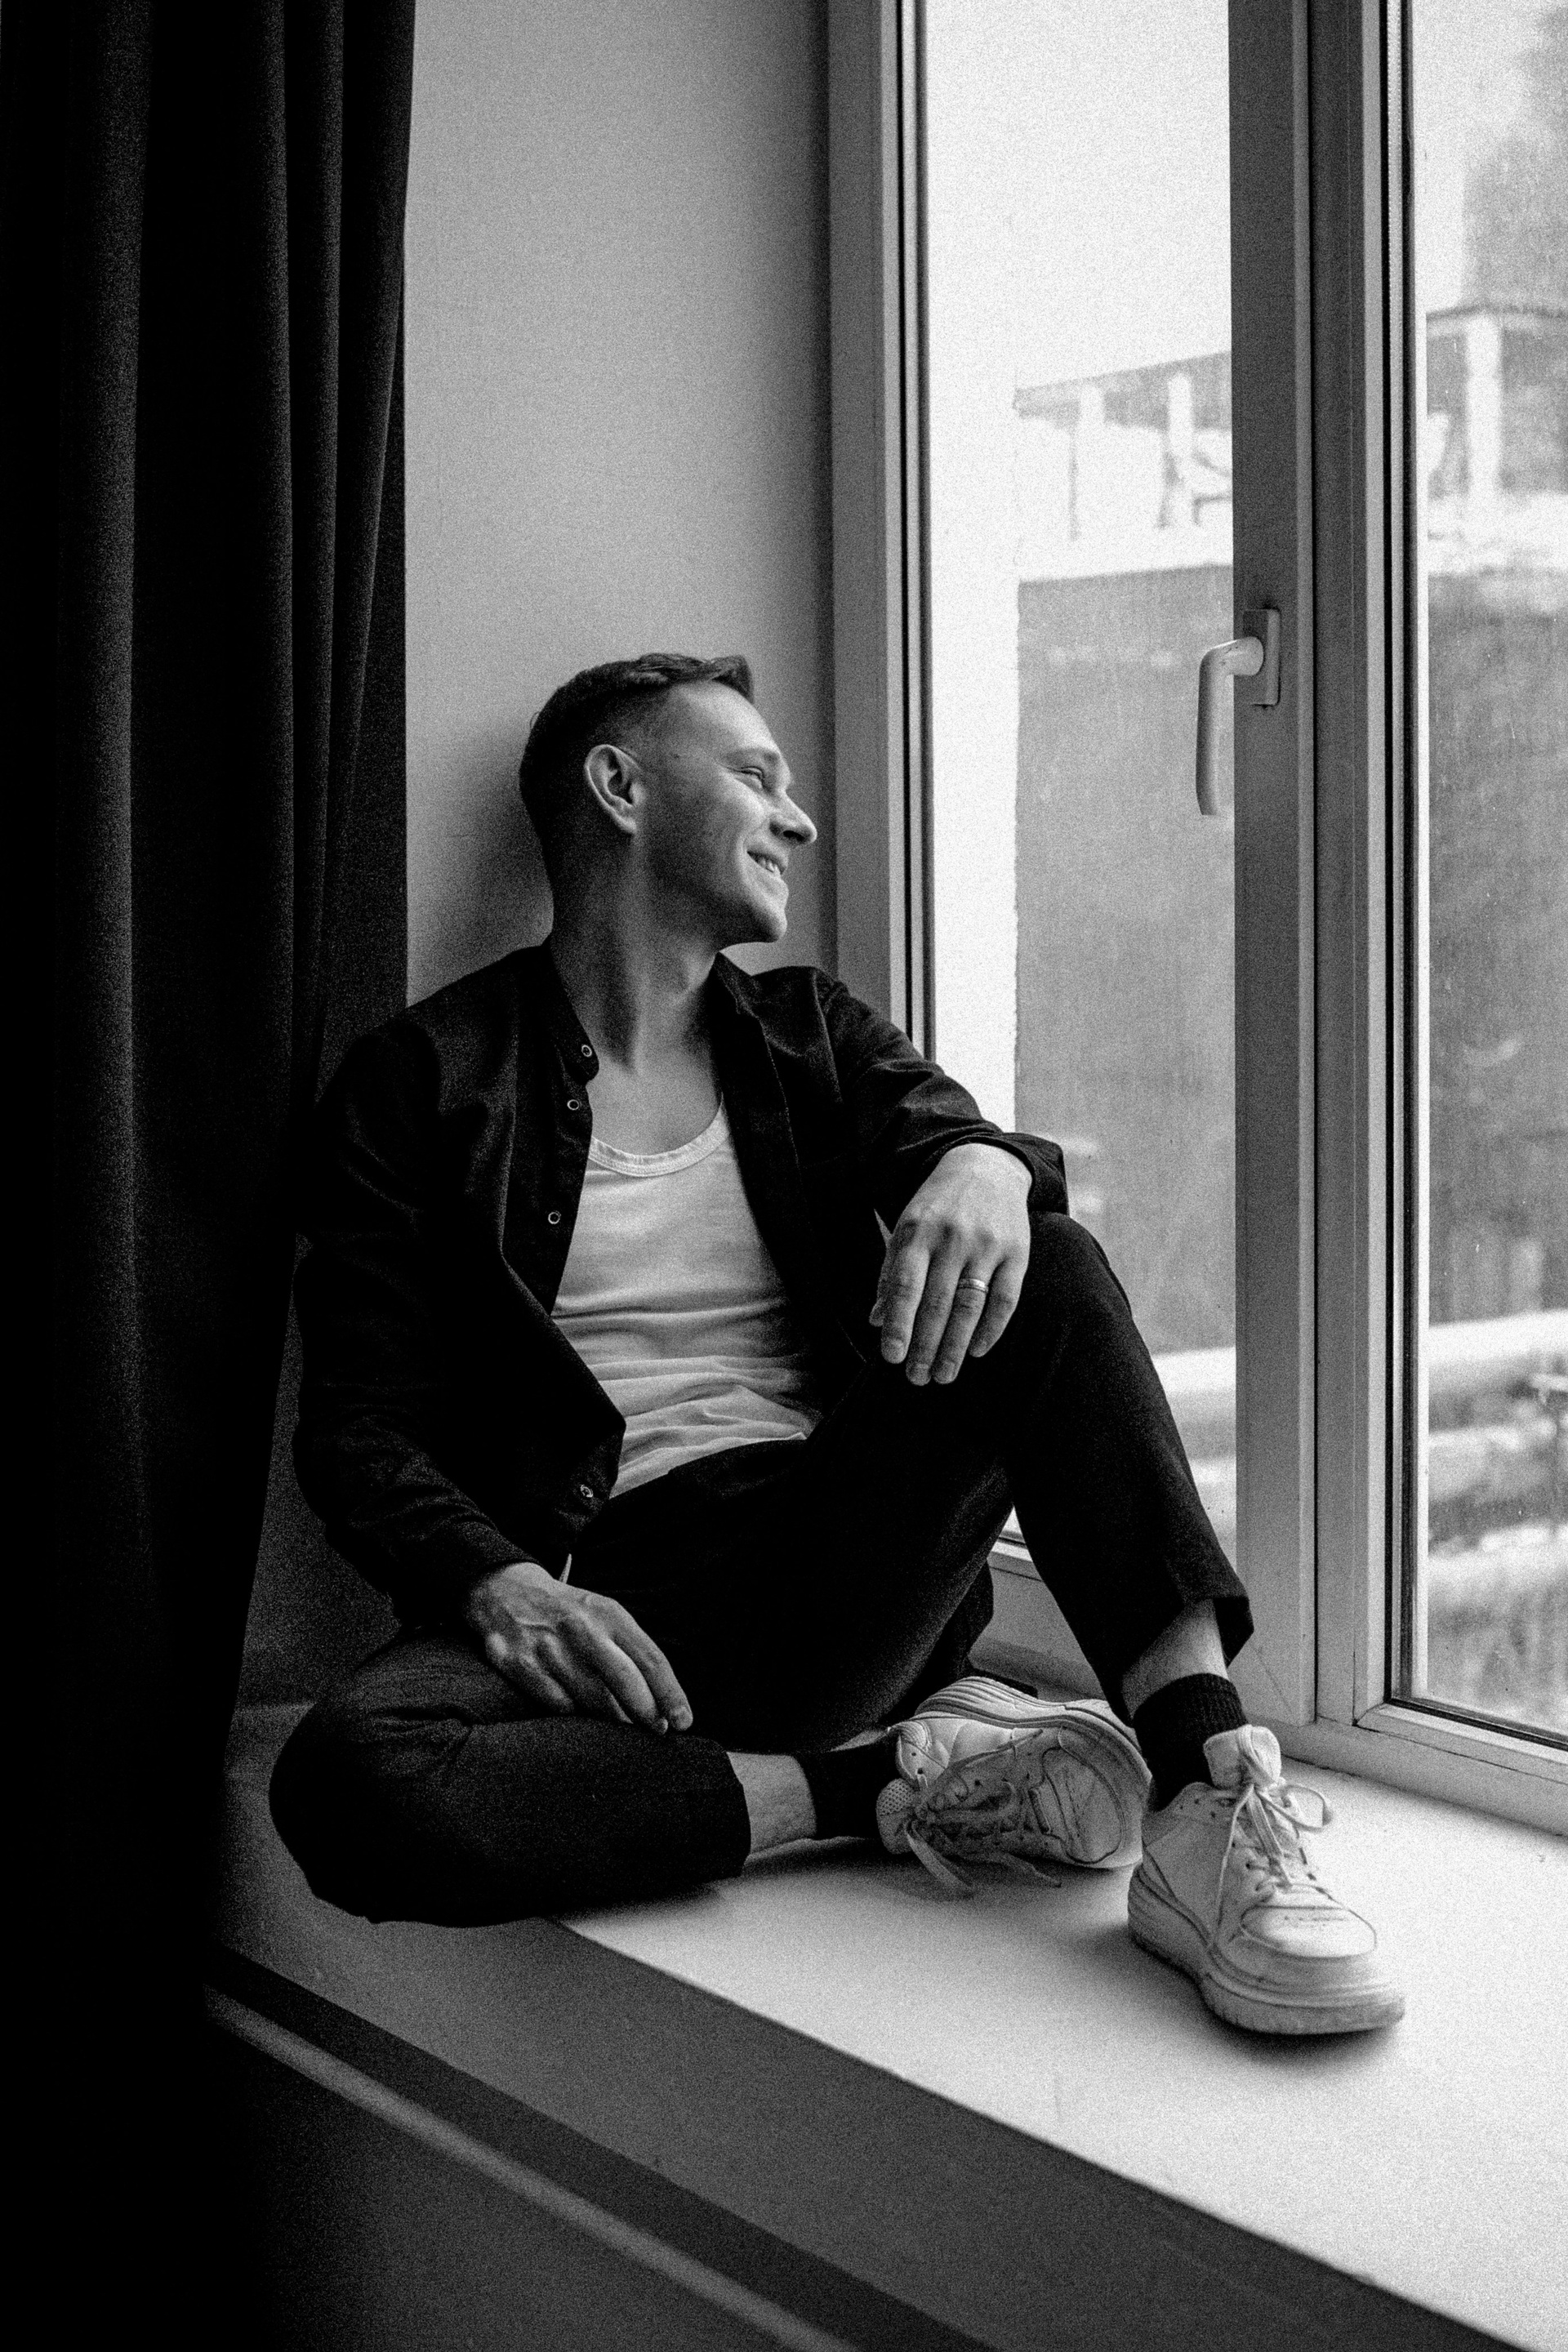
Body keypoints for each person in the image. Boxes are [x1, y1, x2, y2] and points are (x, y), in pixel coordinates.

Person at [271, 652, 1402, 2039]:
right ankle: (882, 1788)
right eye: (756, 776)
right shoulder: (423, 1081)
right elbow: (359, 1425)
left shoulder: (812, 1034)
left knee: (1047, 1263)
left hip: (830, 1563)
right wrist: (499, 1585)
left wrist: (989, 1162)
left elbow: (962, 1152)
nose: (795, 820)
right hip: (594, 1607)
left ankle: (1204, 1791)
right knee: (346, 1780)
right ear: (619, 788)